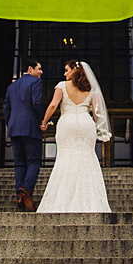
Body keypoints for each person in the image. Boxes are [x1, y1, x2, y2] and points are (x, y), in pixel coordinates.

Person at [35, 60, 112, 214]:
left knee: (65, 158)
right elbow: (98, 114)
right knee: (87, 158)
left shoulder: (62, 86)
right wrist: (99, 128)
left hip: (67, 123)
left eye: (67, 70)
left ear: (75, 70)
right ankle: (91, 202)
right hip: (85, 123)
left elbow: (52, 105)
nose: (64, 74)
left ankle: (62, 201)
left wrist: (44, 121)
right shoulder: (91, 89)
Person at [2, 59, 48, 211]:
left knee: (20, 164)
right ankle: (26, 189)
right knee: (34, 161)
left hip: (15, 129)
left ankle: (19, 198)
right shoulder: (35, 82)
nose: (41, 72)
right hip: (30, 128)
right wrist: (41, 119)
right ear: (30, 69)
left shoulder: (11, 86)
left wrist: (12, 124)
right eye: (39, 69)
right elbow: (36, 102)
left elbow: (6, 108)